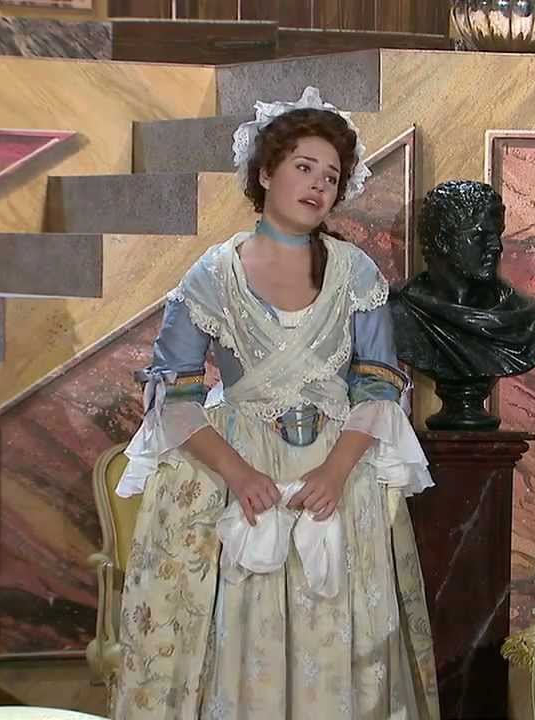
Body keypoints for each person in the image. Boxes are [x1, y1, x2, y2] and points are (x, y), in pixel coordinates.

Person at [112, 86, 439, 719]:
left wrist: (335, 472)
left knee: (342, 636)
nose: (318, 185)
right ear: (265, 173)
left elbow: (378, 385)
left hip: (338, 470)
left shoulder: (355, 272)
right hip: (240, 465)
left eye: (331, 176)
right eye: (304, 167)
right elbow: (174, 394)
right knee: (244, 629)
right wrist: (238, 475)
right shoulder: (214, 274)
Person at [389, 180, 535, 429]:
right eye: (480, 236)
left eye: (497, 235)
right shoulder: (395, 313)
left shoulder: (533, 319)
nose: (496, 247)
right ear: (442, 241)